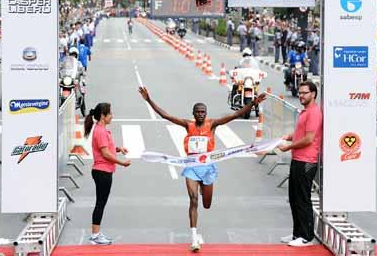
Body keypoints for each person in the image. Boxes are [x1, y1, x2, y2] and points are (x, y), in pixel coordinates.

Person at [138, 86, 266, 251]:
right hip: (191, 166)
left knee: (206, 204)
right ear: (193, 114)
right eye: (198, 112)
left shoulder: (212, 124)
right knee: (193, 200)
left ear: (206, 113)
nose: (200, 114)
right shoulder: (188, 124)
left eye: (203, 112)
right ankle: (194, 239)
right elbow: (166, 115)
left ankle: (202, 188)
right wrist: (148, 99)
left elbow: (235, 115)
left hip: (207, 167)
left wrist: (254, 103)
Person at [277, 81, 322, 247]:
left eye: (305, 93)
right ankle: (297, 233)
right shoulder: (305, 112)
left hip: (307, 161)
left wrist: (289, 145)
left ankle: (306, 236)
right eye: (300, 93)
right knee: (294, 198)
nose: (301, 95)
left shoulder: (314, 113)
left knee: (303, 199)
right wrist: (287, 137)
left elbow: (309, 139)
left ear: (313, 94)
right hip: (297, 159)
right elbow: (300, 133)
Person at [84, 103, 131, 245]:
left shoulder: (101, 129)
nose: (112, 116)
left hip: (103, 171)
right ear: (103, 116)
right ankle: (95, 235)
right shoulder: (100, 131)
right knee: (100, 203)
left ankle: (96, 233)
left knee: (101, 202)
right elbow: (104, 153)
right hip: (102, 171)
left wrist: (118, 149)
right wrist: (121, 163)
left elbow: (106, 148)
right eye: (110, 114)